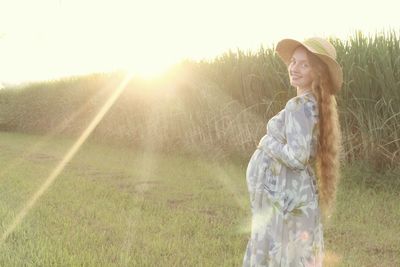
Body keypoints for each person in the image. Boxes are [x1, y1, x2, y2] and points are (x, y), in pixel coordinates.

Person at [242, 37, 343, 267]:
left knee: (282, 254)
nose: (294, 68)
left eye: (304, 64)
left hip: (287, 198)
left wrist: (267, 143)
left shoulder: (298, 106)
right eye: (293, 62)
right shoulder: (315, 104)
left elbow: (296, 157)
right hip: (296, 195)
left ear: (316, 73)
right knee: (295, 254)